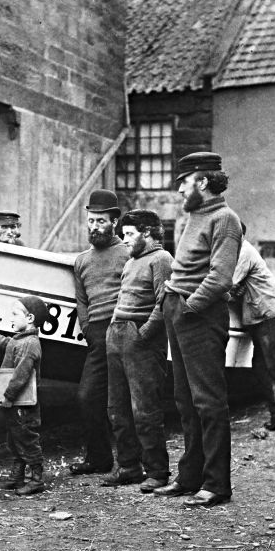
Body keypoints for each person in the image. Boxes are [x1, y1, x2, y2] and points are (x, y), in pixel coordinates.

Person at [154, 152, 242, 508]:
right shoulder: (191, 216)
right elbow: (184, 267)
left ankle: (217, 484)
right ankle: (189, 477)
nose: (178, 190)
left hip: (200, 315)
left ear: (203, 182)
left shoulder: (225, 219)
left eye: (184, 182)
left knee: (208, 401)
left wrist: (190, 306)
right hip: (179, 310)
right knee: (185, 399)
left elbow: (221, 277)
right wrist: (170, 299)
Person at [102, 209, 173, 493]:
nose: (124, 239)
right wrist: (113, 329)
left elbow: (164, 302)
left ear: (147, 233)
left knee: (144, 410)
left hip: (140, 338)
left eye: (130, 234)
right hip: (116, 335)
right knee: (117, 409)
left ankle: (157, 471)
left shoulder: (161, 259)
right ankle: (129, 467)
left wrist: (142, 335)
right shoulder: (132, 261)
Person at [69, 190, 131, 475]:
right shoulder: (81, 261)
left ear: (114, 223)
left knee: (125, 398)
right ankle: (99, 458)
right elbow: (81, 299)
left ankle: (134, 463)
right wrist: (87, 328)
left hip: (123, 331)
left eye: (101, 221)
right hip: (96, 335)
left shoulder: (129, 253)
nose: (94, 227)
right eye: (91, 221)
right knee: (87, 397)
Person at [0, 296, 50, 496]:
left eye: (15, 314)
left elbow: (21, 375)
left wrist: (7, 396)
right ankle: (17, 477)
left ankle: (36, 480)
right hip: (16, 404)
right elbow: (5, 343)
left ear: (30, 318)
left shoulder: (30, 344)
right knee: (15, 440)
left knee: (27, 440)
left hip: (23, 405)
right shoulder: (20, 340)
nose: (11, 319)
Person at [230, 221, 275, 430]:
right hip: (266, 314)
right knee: (266, 365)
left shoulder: (243, 252)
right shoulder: (240, 251)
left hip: (269, 314)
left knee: (273, 365)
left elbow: (226, 283)